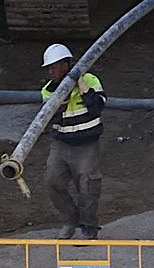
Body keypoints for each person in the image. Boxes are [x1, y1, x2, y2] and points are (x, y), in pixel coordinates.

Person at [39, 43, 109, 238]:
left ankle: (89, 227)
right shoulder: (48, 90)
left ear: (66, 64)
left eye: (54, 66)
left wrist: (83, 89)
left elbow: (98, 107)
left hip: (86, 143)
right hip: (61, 143)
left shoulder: (90, 79)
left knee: (87, 185)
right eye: (49, 68)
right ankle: (70, 219)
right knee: (52, 181)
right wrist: (62, 96)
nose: (51, 71)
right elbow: (51, 118)